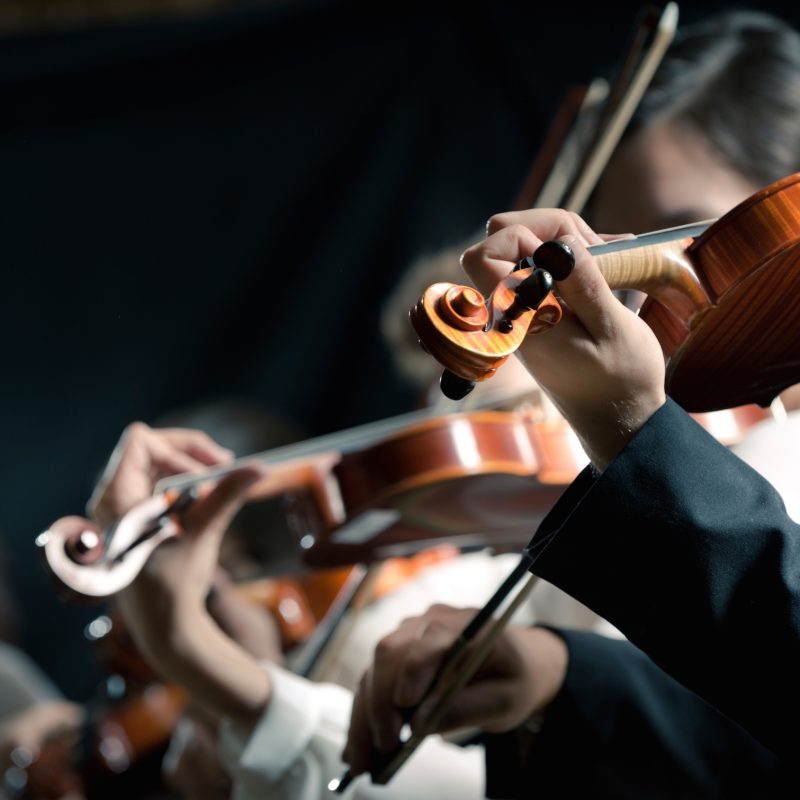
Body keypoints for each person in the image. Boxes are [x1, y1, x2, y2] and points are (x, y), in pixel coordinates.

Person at [43, 8, 800, 800]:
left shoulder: (755, 479)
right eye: (614, 233)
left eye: (683, 240)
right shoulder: (579, 458)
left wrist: (221, 676)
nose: (615, 280)